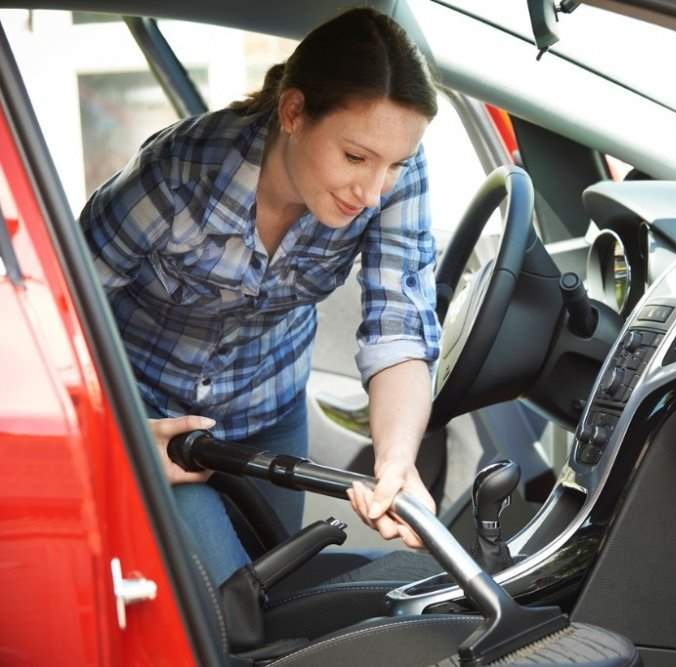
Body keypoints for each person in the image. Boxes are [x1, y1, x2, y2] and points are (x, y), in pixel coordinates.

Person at [80, 8, 440, 585]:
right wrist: (117, 432)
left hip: (269, 404)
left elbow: (398, 326)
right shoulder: (176, 175)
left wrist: (396, 462)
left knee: (275, 587)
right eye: (355, 157)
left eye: (393, 165)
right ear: (293, 112)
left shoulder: (397, 172)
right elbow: (61, 315)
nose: (373, 193)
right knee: (225, 602)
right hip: (150, 412)